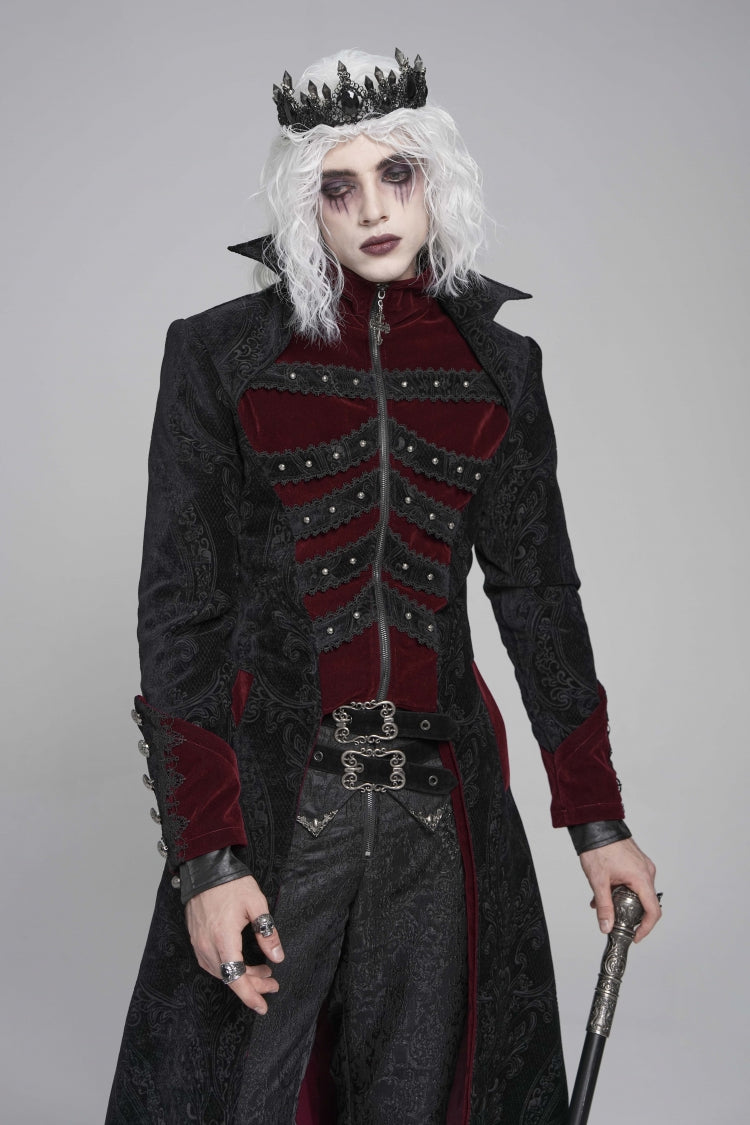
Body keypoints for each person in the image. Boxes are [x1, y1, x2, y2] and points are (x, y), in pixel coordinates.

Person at [106, 47, 660, 1125]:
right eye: (338, 186)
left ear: (435, 178)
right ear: (301, 201)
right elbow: (182, 614)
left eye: (395, 175)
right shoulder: (219, 356)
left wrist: (597, 819)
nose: (372, 209)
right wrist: (205, 858)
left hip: (437, 810)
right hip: (278, 805)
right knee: (232, 1094)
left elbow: (539, 596)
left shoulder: (500, 366)